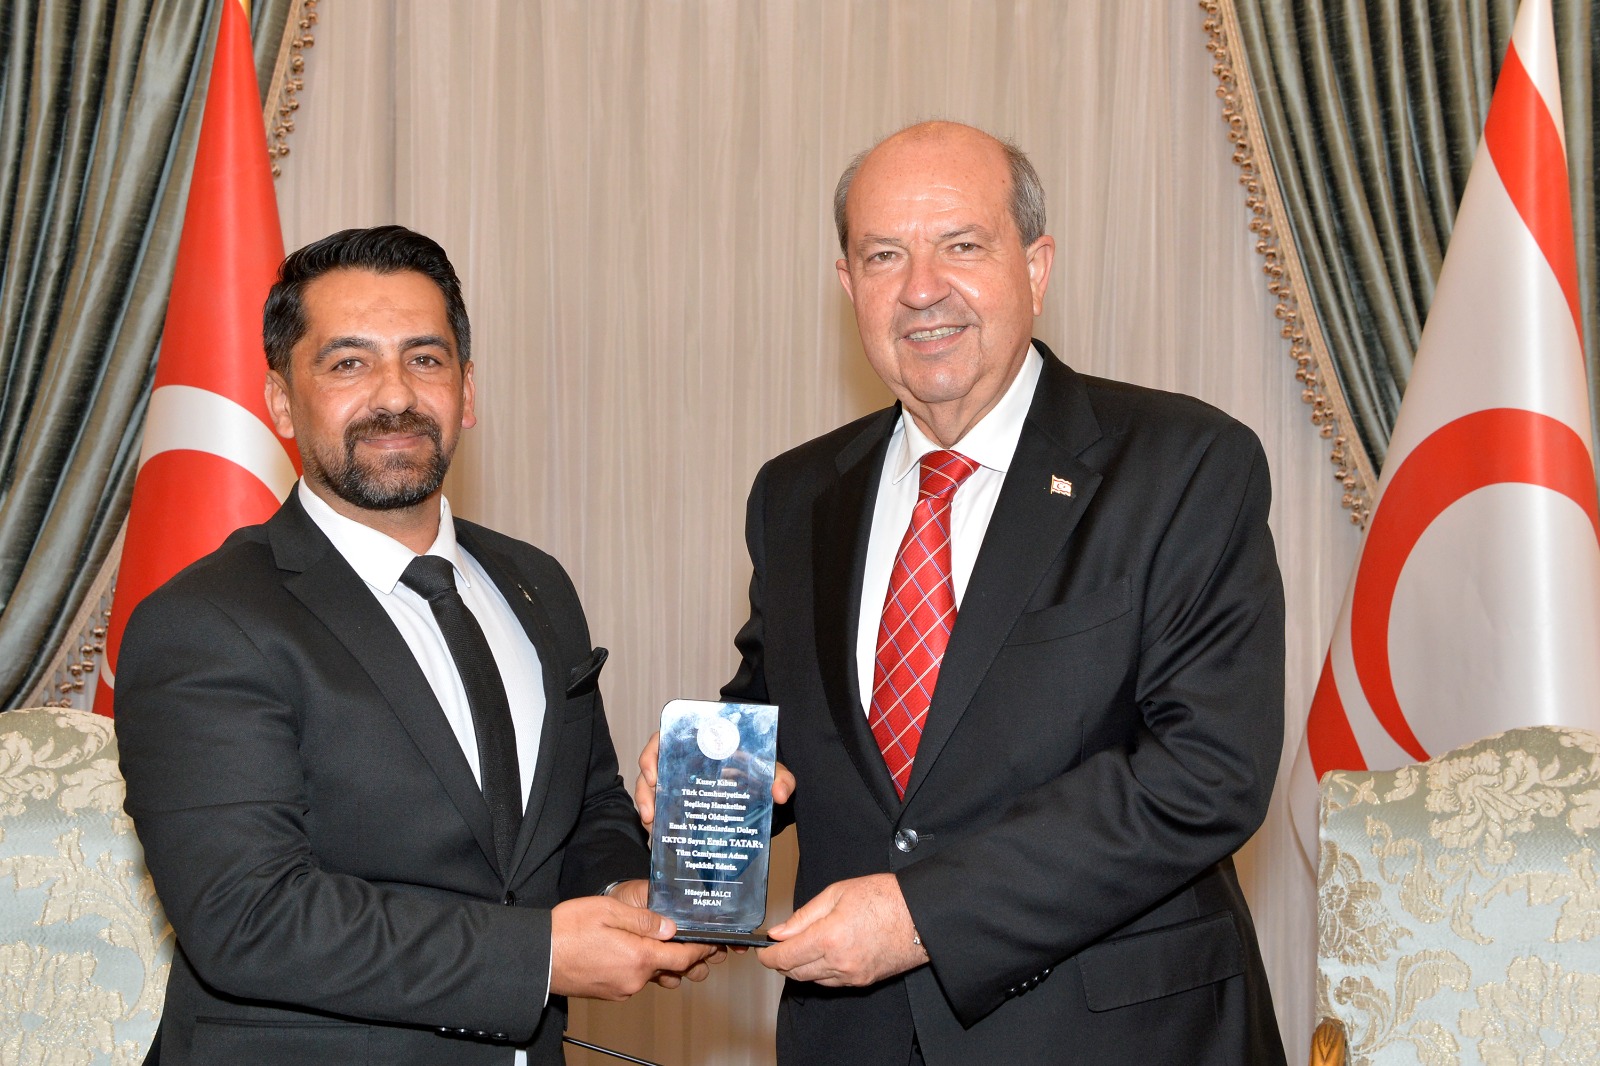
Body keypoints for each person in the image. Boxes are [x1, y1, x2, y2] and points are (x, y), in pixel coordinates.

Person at [638, 122, 1288, 1064]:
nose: (920, 289)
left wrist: (923, 915)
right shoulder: (796, 494)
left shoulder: (1184, 464)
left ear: (1037, 267)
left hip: (1117, 1038)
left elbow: (1205, 773)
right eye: (884, 256)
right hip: (857, 1039)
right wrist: (704, 792)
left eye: (962, 246)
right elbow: (784, 721)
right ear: (848, 285)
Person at [116, 226, 715, 1066]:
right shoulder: (204, 621)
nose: (394, 395)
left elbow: (586, 810)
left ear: (466, 390)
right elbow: (248, 917)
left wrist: (629, 892)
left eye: (425, 359)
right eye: (348, 363)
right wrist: (539, 956)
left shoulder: (536, 584)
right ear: (281, 402)